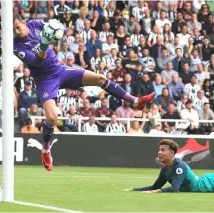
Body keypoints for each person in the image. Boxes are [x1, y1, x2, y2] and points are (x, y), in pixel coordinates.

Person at [13, 15, 155, 171]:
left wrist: (57, 30)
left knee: (100, 78)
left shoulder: (34, 25)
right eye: (13, 29)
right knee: (52, 117)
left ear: (23, 22)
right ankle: (46, 149)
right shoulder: (16, 45)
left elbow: (57, 29)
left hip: (61, 71)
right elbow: (37, 62)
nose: (16, 31)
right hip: (45, 81)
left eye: (17, 27)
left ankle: (136, 102)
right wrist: (45, 44)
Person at [123, 137, 214, 193]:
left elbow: (175, 188)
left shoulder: (179, 166)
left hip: (210, 182)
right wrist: (133, 190)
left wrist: (153, 192)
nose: (159, 152)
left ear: (172, 153)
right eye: (159, 150)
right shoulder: (165, 169)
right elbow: (155, 187)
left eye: (163, 150)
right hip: (207, 183)